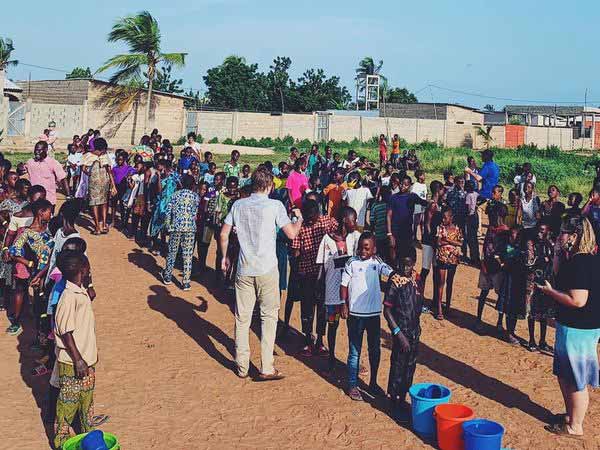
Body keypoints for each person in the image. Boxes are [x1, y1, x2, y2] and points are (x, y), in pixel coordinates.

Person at [220, 167, 303, 380]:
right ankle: (267, 366)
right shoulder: (275, 205)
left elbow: (223, 234)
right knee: (268, 317)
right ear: (268, 185)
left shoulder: (239, 205)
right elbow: (292, 233)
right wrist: (299, 219)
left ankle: (242, 365)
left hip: (244, 268)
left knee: (242, 318)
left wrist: (224, 257)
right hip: (267, 268)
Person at [537, 215, 599, 438]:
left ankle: (576, 425)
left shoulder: (581, 262)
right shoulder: (575, 258)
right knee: (566, 375)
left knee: (575, 378)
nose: (558, 235)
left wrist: (550, 292)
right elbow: (556, 274)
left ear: (575, 236)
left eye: (562, 232)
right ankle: (571, 416)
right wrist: (556, 251)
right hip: (574, 326)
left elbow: (578, 300)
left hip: (579, 329)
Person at [53, 251, 98, 449]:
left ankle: (88, 433)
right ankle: (61, 440)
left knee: (86, 399)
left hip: (87, 359)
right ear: (82, 270)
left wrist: (89, 286)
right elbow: (66, 332)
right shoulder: (68, 297)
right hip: (73, 362)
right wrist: (78, 359)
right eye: (88, 267)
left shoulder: (79, 291)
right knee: (68, 403)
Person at [340, 231, 393, 401]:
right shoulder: (351, 263)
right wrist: (344, 304)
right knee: (355, 351)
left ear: (374, 250)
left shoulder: (376, 263)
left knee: (374, 350)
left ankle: (373, 382)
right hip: (355, 314)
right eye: (360, 248)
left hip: (373, 315)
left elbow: (388, 271)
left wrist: (398, 276)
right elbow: (344, 285)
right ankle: (353, 384)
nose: (362, 251)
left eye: (366, 248)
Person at [316, 206, 360, 375]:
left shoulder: (355, 238)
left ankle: (353, 359)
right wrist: (319, 287)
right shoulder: (327, 240)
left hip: (350, 291)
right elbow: (321, 265)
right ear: (344, 220)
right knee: (332, 325)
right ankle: (332, 356)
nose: (355, 223)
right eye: (353, 220)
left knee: (353, 327)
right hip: (332, 290)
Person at [291, 199, 338, 356]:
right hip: (307, 274)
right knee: (307, 308)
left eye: (314, 217)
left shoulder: (327, 221)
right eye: (309, 218)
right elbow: (296, 252)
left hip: (325, 274)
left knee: (322, 308)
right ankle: (307, 339)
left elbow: (339, 232)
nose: (312, 220)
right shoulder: (300, 227)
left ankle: (320, 341)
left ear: (319, 213)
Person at [384, 256, 422, 421]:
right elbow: (387, 311)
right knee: (398, 366)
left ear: (413, 263)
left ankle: (402, 398)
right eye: (402, 264)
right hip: (402, 333)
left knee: (410, 366)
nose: (404, 267)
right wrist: (399, 334)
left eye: (408, 264)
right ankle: (393, 401)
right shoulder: (395, 282)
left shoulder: (414, 278)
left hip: (414, 331)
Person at [161, 175, 200, 291]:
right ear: (193, 185)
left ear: (181, 183)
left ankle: (167, 276)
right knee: (188, 255)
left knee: (172, 252)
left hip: (176, 227)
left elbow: (168, 212)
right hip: (189, 228)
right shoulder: (195, 197)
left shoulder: (174, 195)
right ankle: (186, 282)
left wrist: (167, 225)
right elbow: (195, 214)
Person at [475, 203, 509, 332]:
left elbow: (504, 252)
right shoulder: (492, 229)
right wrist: (482, 263)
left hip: (497, 268)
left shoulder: (504, 231)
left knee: (499, 295)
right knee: (486, 293)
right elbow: (485, 248)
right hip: (488, 265)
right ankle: (479, 319)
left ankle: (499, 322)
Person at [524, 221, 555, 352]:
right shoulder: (531, 243)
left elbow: (554, 261)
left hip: (545, 280)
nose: (539, 233)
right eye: (539, 230)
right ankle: (531, 340)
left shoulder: (549, 244)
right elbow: (529, 262)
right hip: (532, 280)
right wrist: (544, 259)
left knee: (544, 313)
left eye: (543, 231)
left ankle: (542, 341)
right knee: (531, 311)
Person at [387, 175, 428, 265]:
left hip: (407, 231)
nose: (403, 186)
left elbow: (424, 203)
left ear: (409, 186)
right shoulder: (393, 198)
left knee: (405, 253)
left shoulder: (412, 197)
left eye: (406, 185)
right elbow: (389, 216)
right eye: (401, 184)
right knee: (394, 253)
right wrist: (390, 234)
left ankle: (404, 273)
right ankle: (395, 272)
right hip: (395, 231)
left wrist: (433, 201)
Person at [496, 225, 527, 344]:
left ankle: (511, 330)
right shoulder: (506, 246)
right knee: (508, 305)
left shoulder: (522, 248)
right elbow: (497, 256)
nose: (512, 236)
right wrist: (502, 264)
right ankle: (509, 332)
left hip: (518, 280)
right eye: (511, 234)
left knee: (514, 306)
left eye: (515, 234)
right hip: (508, 279)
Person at [81, 138, 116, 235]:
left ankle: (102, 225)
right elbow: (83, 168)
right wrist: (91, 174)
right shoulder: (88, 156)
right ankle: (98, 225)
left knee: (102, 203)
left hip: (104, 183)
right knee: (95, 203)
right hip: (95, 184)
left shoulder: (104, 156)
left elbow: (109, 171)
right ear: (101, 148)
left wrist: (113, 185)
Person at [433, 207, 463, 319]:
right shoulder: (440, 227)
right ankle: (440, 309)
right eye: (443, 218)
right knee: (442, 283)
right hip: (442, 258)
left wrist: (448, 240)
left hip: (453, 258)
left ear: (451, 217)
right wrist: (452, 242)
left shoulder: (457, 229)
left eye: (446, 218)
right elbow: (438, 242)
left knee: (450, 282)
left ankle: (448, 307)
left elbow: (460, 243)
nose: (443, 220)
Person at [24, 141, 69, 208]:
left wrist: (67, 194)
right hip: (34, 199)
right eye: (35, 150)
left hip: (48, 200)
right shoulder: (30, 162)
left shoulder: (53, 163)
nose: (37, 152)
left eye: (39, 150)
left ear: (46, 150)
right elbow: (22, 172)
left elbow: (62, 178)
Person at [464, 180, 480, 265]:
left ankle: (473, 258)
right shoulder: (475, 194)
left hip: (470, 217)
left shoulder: (468, 195)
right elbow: (482, 199)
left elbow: (467, 208)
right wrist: (476, 205)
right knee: (475, 238)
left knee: (471, 238)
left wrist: (465, 216)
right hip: (475, 216)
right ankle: (476, 257)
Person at [410, 170, 427, 241]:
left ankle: (422, 237)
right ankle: (414, 236)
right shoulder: (415, 185)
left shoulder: (424, 185)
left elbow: (425, 195)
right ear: (420, 176)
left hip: (423, 205)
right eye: (423, 175)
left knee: (423, 221)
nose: (424, 176)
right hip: (417, 205)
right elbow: (413, 195)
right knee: (416, 222)